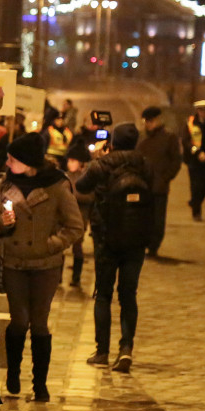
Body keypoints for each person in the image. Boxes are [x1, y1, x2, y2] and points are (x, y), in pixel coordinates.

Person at [0, 133, 83, 402]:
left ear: (28, 161)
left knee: (40, 323)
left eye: (12, 159)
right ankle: (13, 374)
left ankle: (39, 384)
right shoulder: (5, 184)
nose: (7, 164)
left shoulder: (57, 185)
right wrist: (3, 223)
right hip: (14, 262)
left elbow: (75, 226)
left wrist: (50, 244)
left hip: (45, 265)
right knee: (19, 320)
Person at [76, 123, 154, 373]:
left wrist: (96, 159)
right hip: (136, 239)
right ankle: (126, 348)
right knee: (129, 294)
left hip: (106, 237)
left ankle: (102, 352)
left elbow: (81, 186)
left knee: (104, 294)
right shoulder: (145, 164)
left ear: (113, 142)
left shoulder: (103, 164)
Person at [136, 106, 184, 255]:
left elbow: (176, 161)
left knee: (158, 219)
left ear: (158, 120)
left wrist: (165, 178)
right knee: (141, 218)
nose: (148, 124)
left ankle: (153, 246)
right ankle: (142, 243)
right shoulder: (141, 137)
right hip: (141, 185)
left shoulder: (169, 138)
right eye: (146, 121)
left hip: (159, 187)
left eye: (151, 121)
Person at [64, 137, 93, 289]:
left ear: (81, 162)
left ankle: (76, 277)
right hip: (64, 217)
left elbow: (89, 196)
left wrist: (70, 196)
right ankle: (58, 277)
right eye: (69, 160)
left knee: (77, 247)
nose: (70, 163)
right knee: (61, 247)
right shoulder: (65, 176)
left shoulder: (86, 178)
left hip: (80, 217)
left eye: (73, 161)